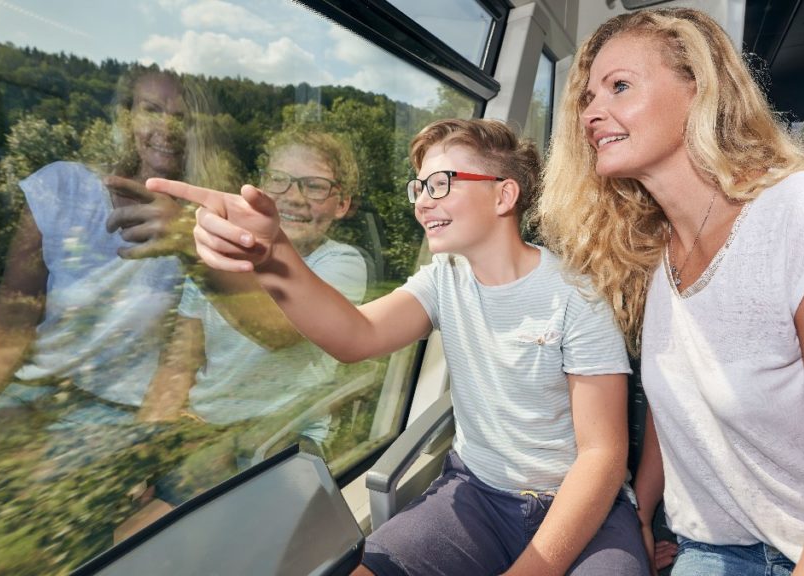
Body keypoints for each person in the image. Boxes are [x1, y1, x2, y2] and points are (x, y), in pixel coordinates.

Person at [534, 7, 804, 576]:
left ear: (697, 89)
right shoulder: (658, 255)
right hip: (714, 549)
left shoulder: (801, 212)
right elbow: (676, 399)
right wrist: (642, 512)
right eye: (586, 97)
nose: (591, 113)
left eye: (619, 87)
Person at [148, 118, 650, 575]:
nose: (421, 201)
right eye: (419, 187)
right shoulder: (444, 279)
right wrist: (272, 251)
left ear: (503, 196)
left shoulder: (576, 298)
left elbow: (602, 456)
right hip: (477, 495)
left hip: (583, 509)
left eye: (440, 184)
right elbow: (354, 337)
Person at [0, 64, 234, 452]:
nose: (168, 128)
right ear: (126, 117)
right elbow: (13, 313)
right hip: (31, 391)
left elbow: (188, 357)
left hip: (118, 414)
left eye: (183, 118)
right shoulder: (61, 187)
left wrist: (146, 445)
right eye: (151, 110)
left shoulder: (208, 227)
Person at [131, 127, 367, 509]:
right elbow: (178, 365)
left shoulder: (341, 264)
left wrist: (188, 248)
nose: (293, 197)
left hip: (279, 439)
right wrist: (144, 453)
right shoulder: (218, 258)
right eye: (279, 180)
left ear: (341, 204)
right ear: (259, 188)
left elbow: (279, 331)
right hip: (203, 432)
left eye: (315, 186)